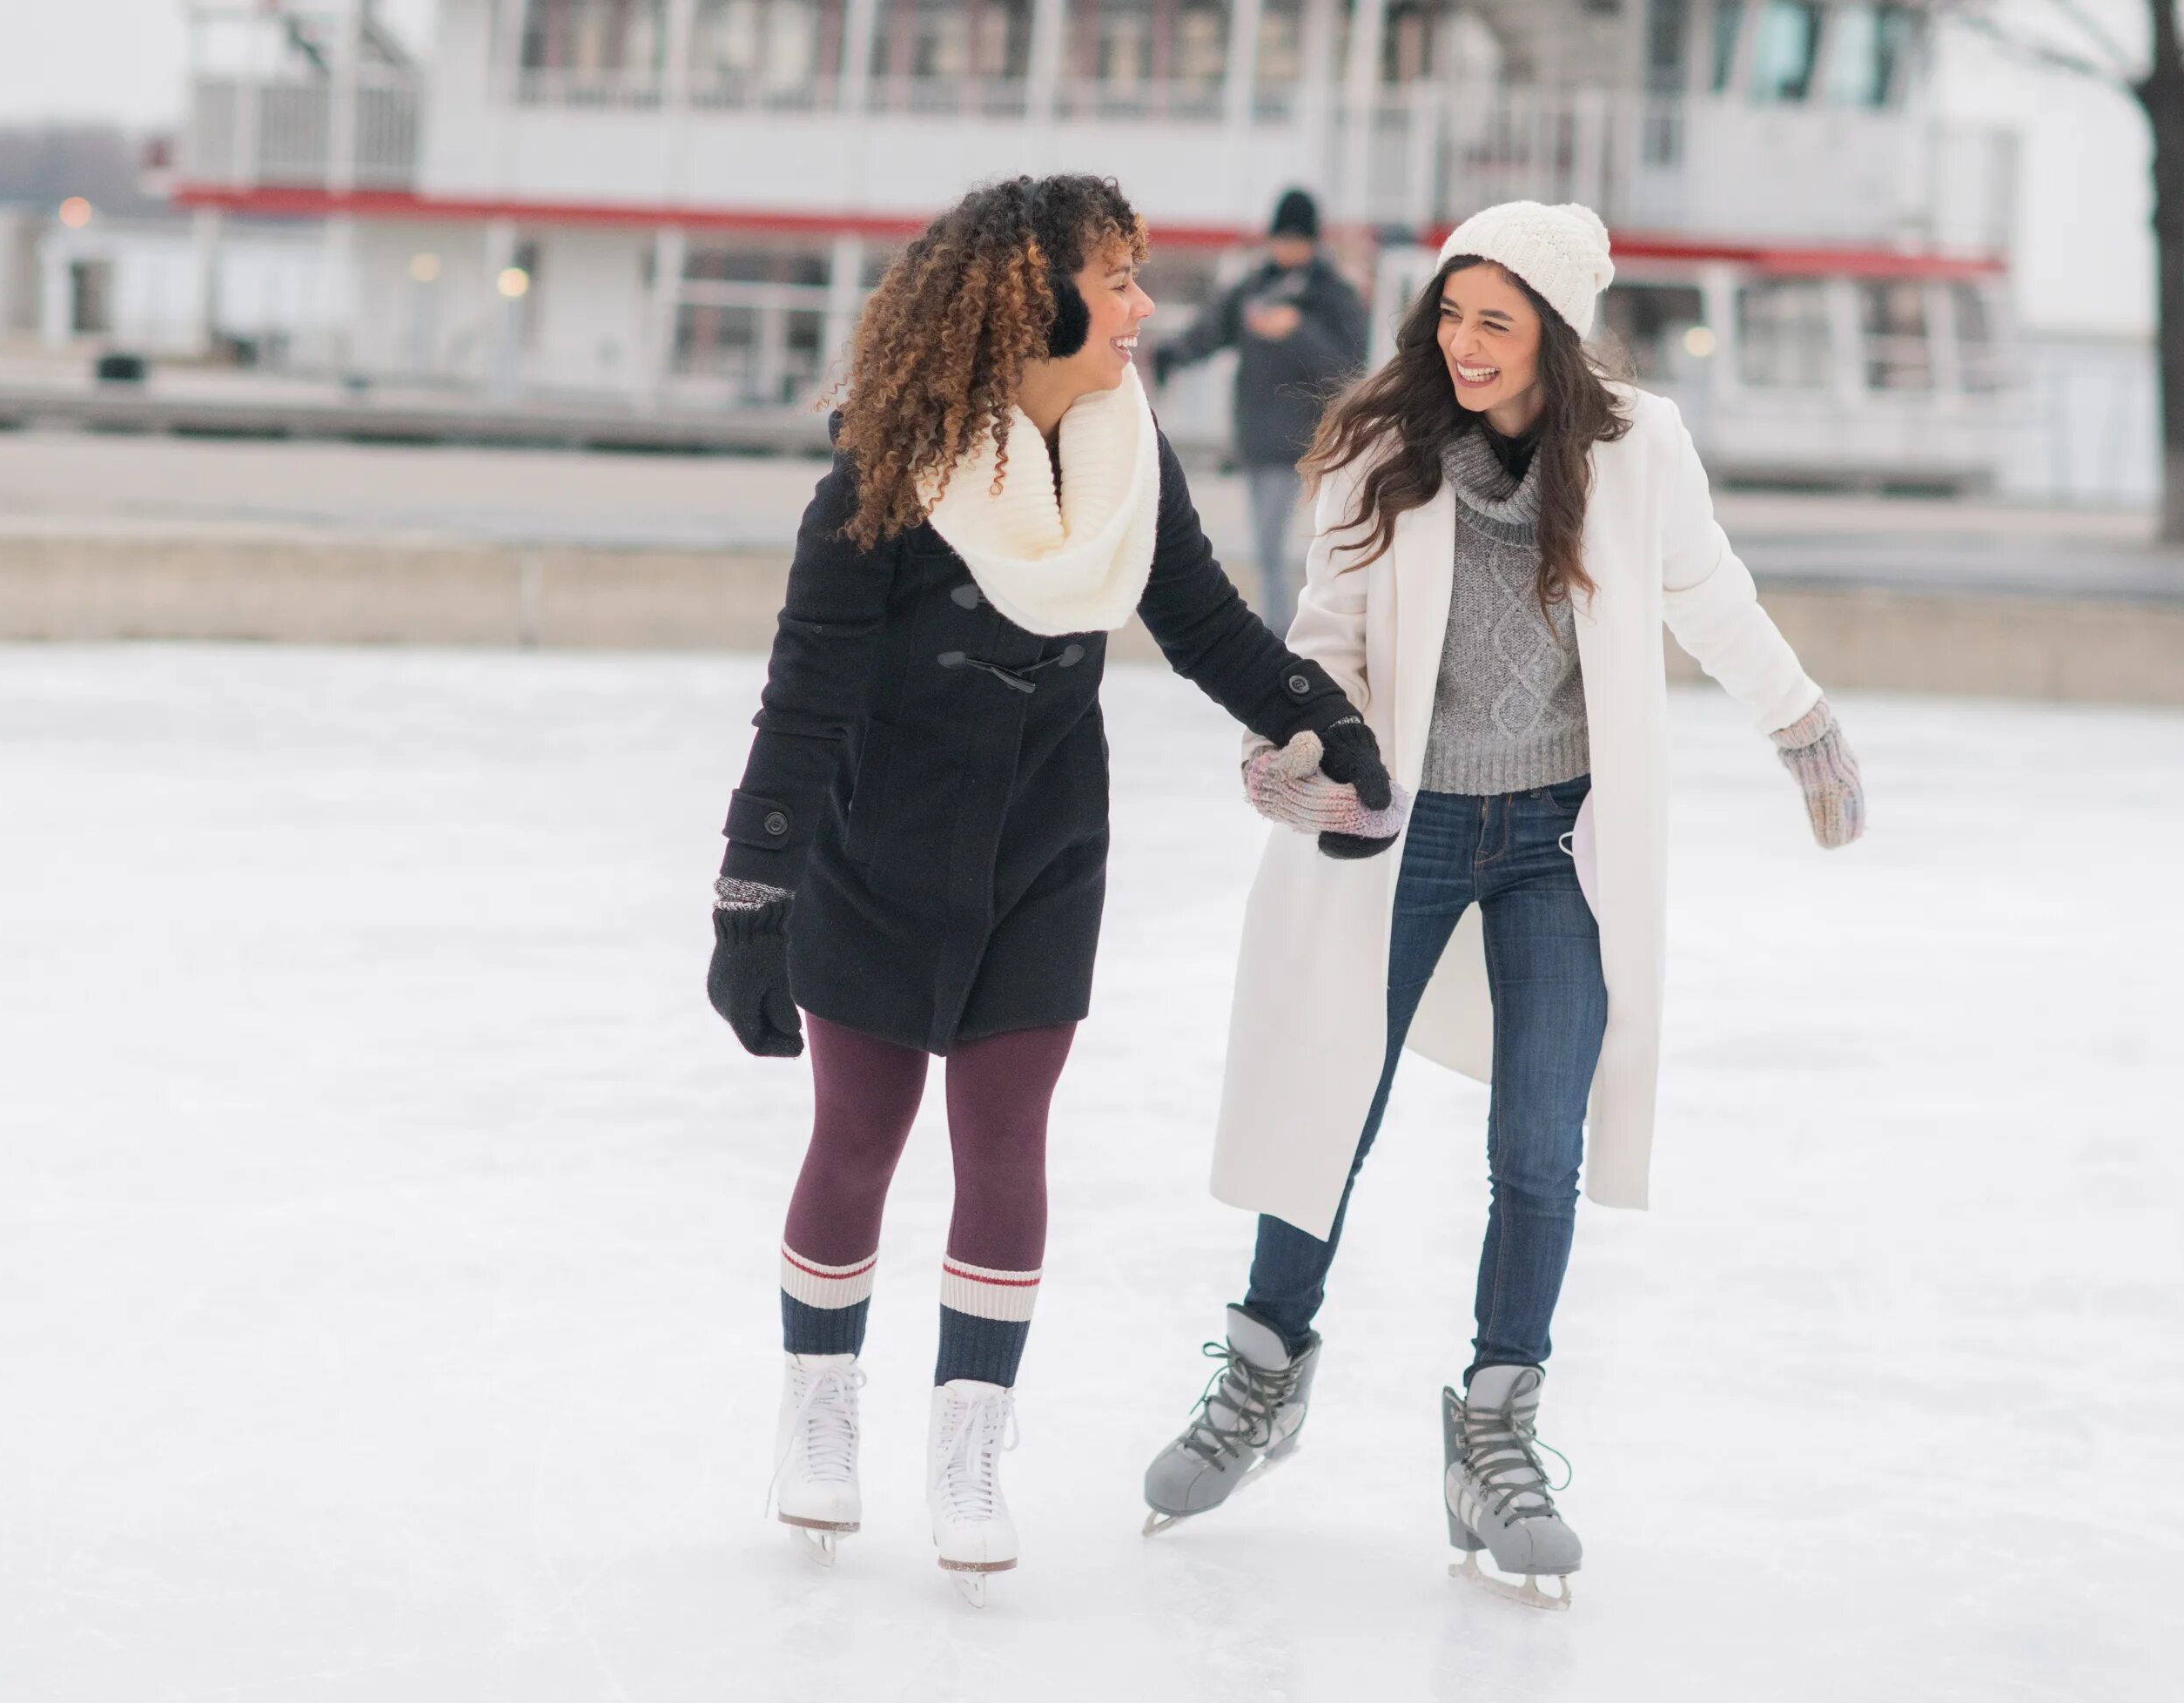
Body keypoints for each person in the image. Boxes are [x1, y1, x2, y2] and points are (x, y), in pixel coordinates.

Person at [1135, 202, 1867, 1609]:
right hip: (1400, 830)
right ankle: (1266, 1372)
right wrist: (1293, 750)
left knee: (1540, 1140)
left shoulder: (1636, 449)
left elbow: (1709, 595)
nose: (1463, 345)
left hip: (1555, 840)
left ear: (1555, 332)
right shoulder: (1375, 445)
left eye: (1496, 321)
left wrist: (1803, 727)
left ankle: (1495, 1427)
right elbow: (1328, 635)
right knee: (1325, 1102)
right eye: (1451, 315)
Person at [702, 174, 1403, 1607]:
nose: (1146, 306)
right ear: (1038, 300)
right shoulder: (883, 478)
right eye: (1121, 278)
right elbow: (806, 701)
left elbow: (1206, 622)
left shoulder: (1125, 466)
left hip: (1041, 848)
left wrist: (1322, 723)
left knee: (1007, 1142)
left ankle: (970, 1446)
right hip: (877, 847)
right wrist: (753, 899)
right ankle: (820, 1407)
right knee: (857, 1139)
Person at [1151, 187, 1371, 636]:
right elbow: (1211, 331)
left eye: (1296, 240)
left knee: (1292, 547)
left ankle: (1284, 633)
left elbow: (1350, 368)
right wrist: (1171, 354)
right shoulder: (1253, 289)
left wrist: (1298, 330)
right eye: (1281, 239)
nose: (1286, 249)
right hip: (1256, 434)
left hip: (1309, 441)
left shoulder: (1332, 295)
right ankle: (1284, 629)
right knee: (1267, 546)